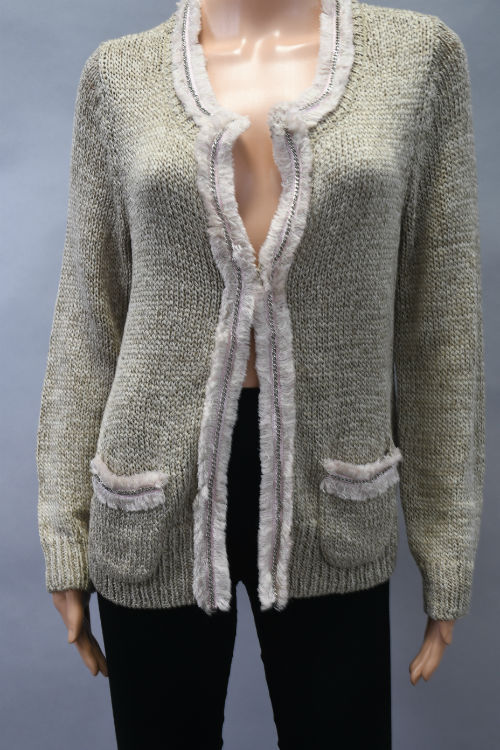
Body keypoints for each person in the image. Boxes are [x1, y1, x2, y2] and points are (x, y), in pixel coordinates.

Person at [37, 1, 485, 748]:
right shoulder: (118, 77)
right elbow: (89, 315)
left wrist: (446, 549)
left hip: (334, 493)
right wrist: (64, 531)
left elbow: (438, 326)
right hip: (151, 492)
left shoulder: (418, 60)